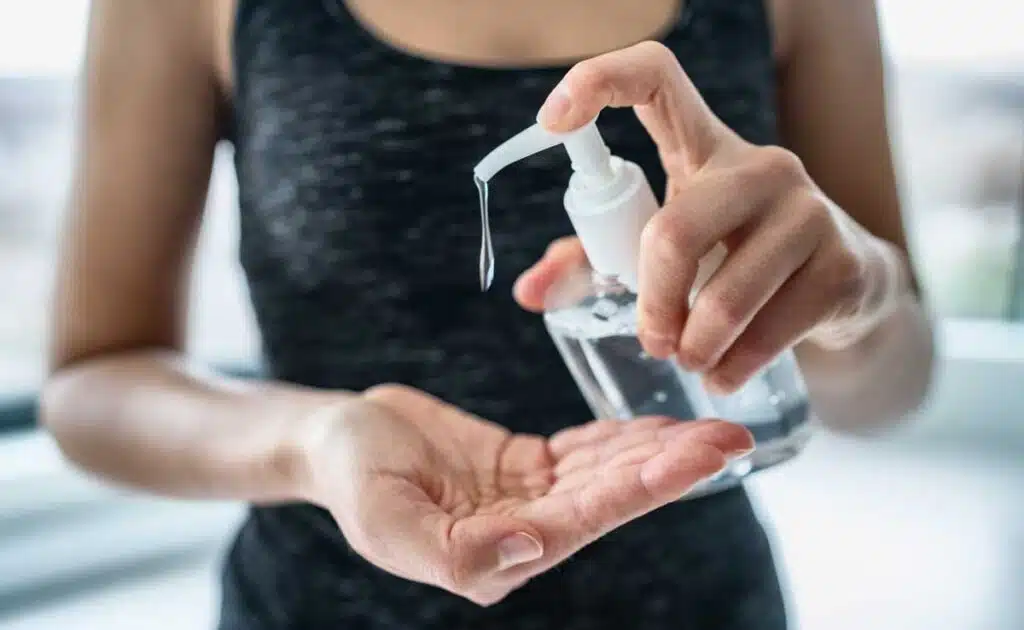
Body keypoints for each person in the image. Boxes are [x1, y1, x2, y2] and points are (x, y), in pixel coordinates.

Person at [41, 0, 935, 628]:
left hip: (703, 605)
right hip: (319, 606)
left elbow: (892, 392)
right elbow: (92, 385)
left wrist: (859, 298)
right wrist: (314, 441)